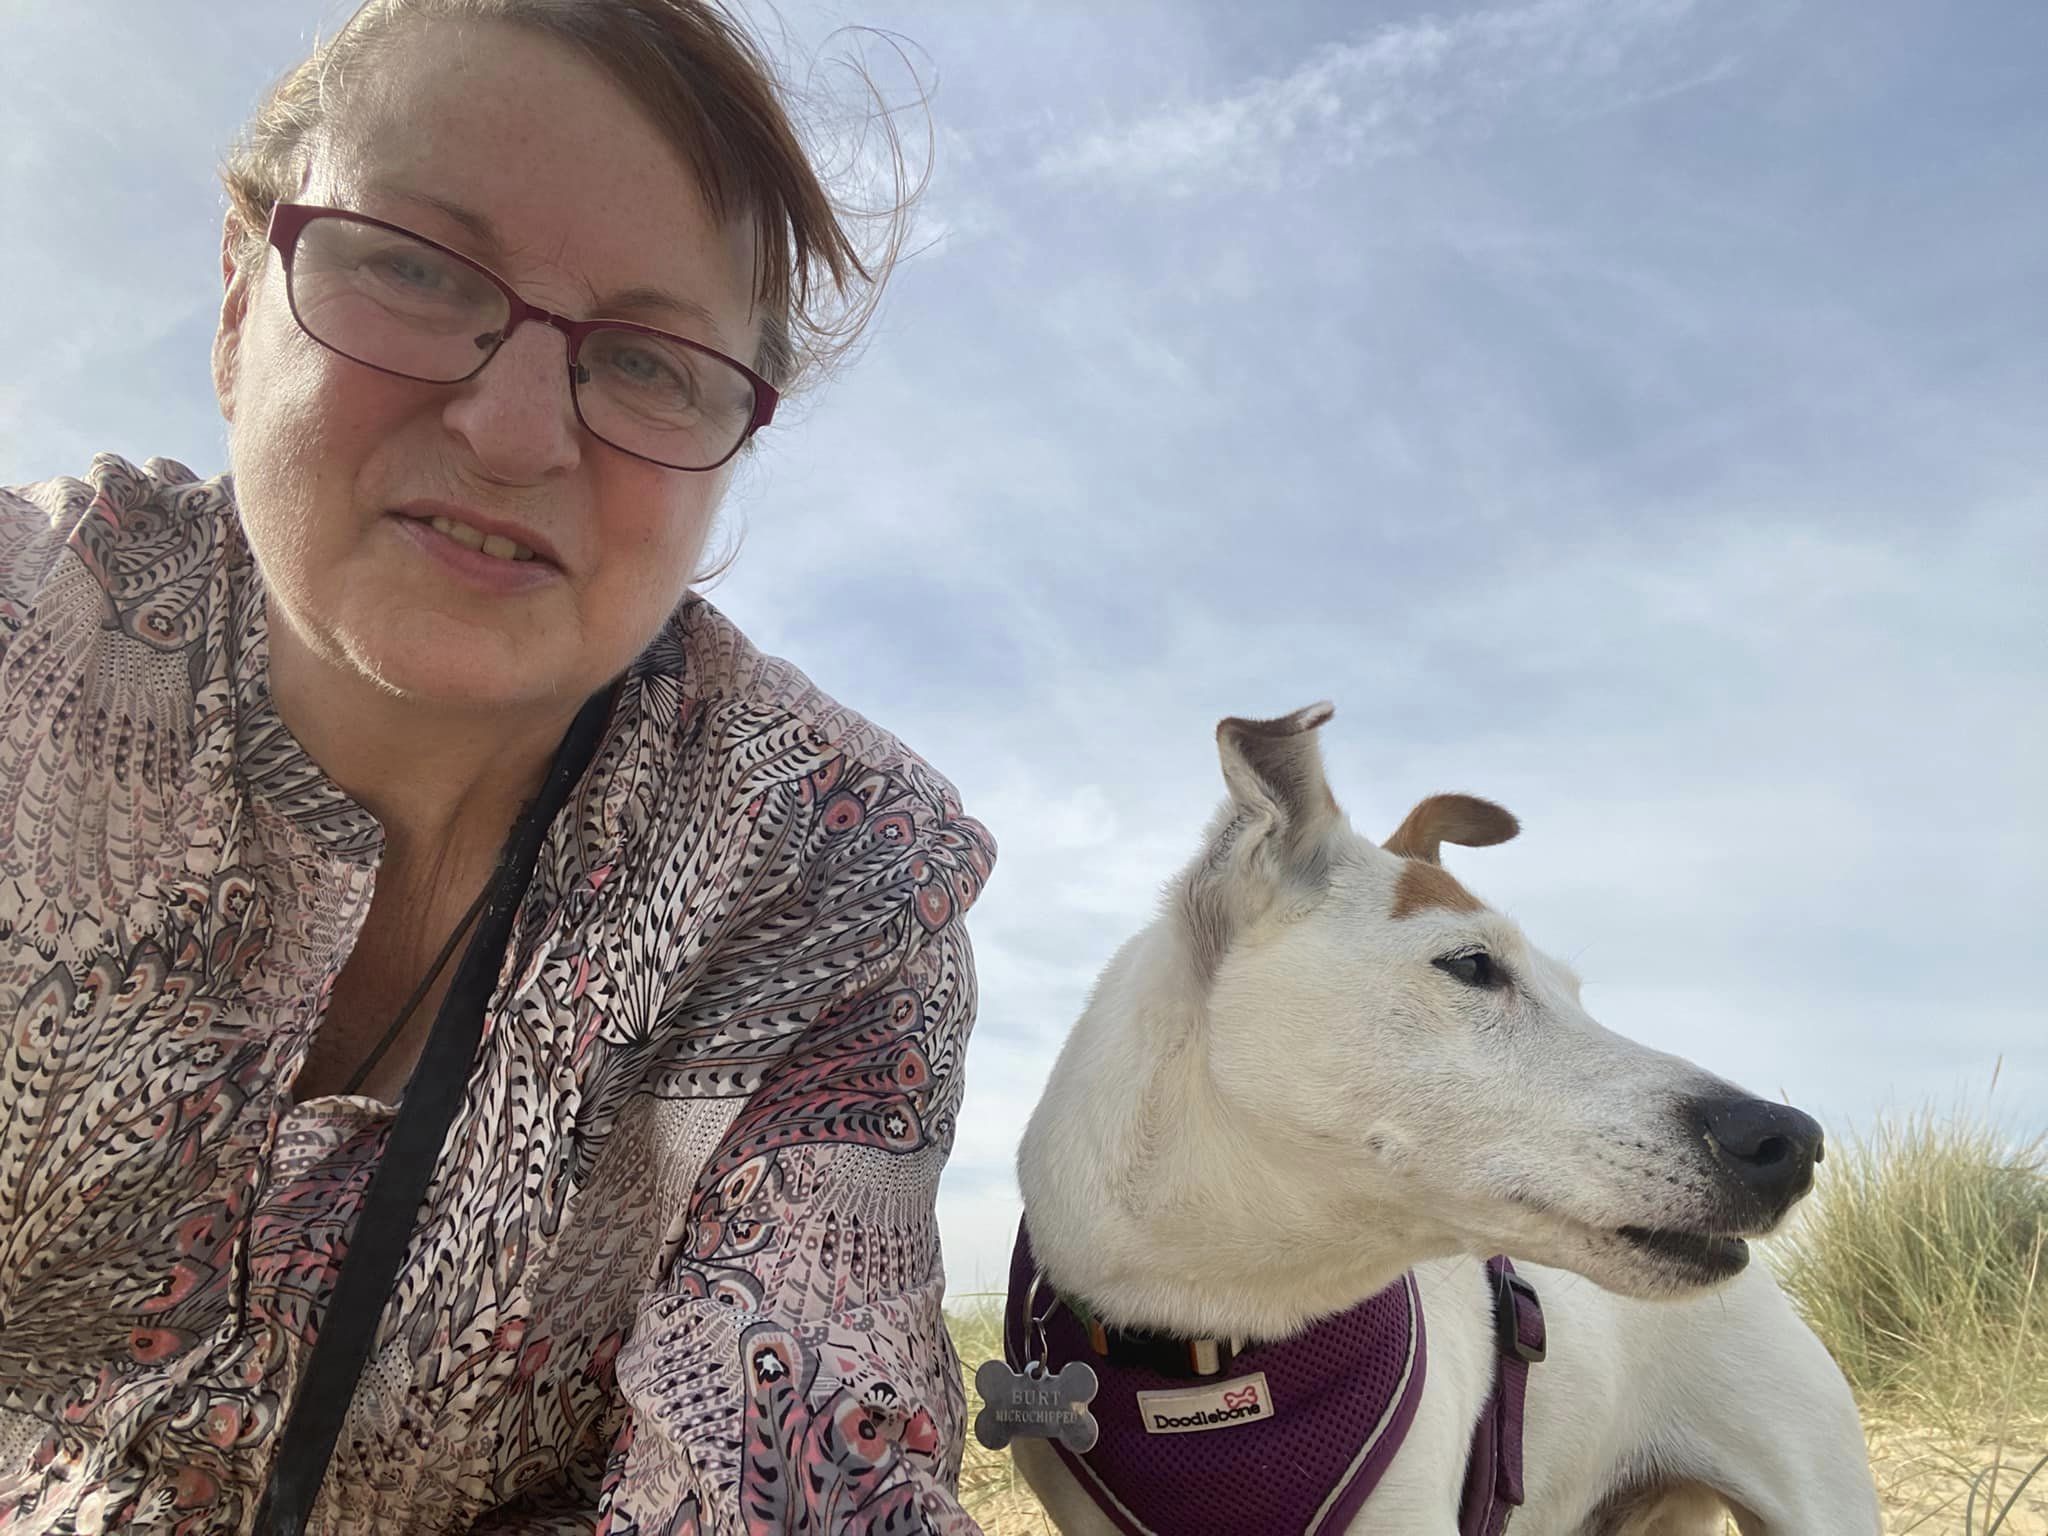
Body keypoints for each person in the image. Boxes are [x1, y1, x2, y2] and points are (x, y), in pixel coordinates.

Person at [0, 2, 994, 1531]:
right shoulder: (27, 646)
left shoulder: (836, 874)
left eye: (653, 364)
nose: (517, 430)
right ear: (233, 294)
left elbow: (795, 1472)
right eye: (411, 266)